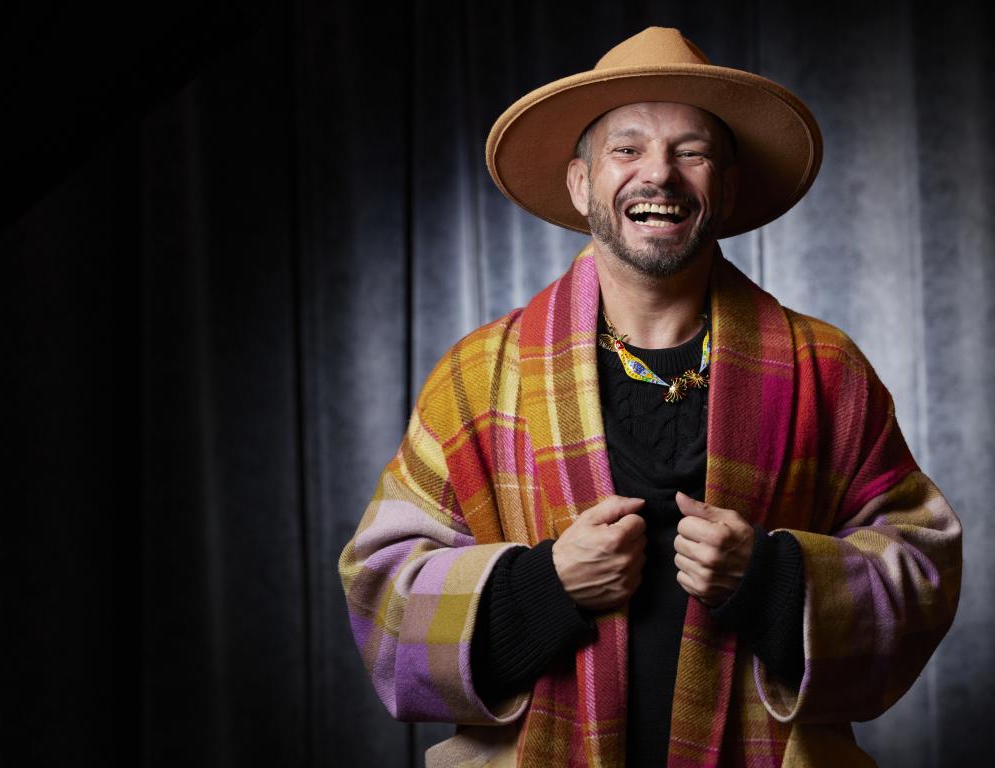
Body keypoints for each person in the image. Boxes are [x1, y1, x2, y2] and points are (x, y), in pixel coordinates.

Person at [338, 26, 961, 768]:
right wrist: (544, 587)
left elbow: (922, 568)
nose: (659, 174)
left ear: (726, 187)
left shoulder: (826, 370)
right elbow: (383, 600)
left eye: (690, 152)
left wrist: (769, 583)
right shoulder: (477, 376)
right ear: (581, 183)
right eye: (627, 149)